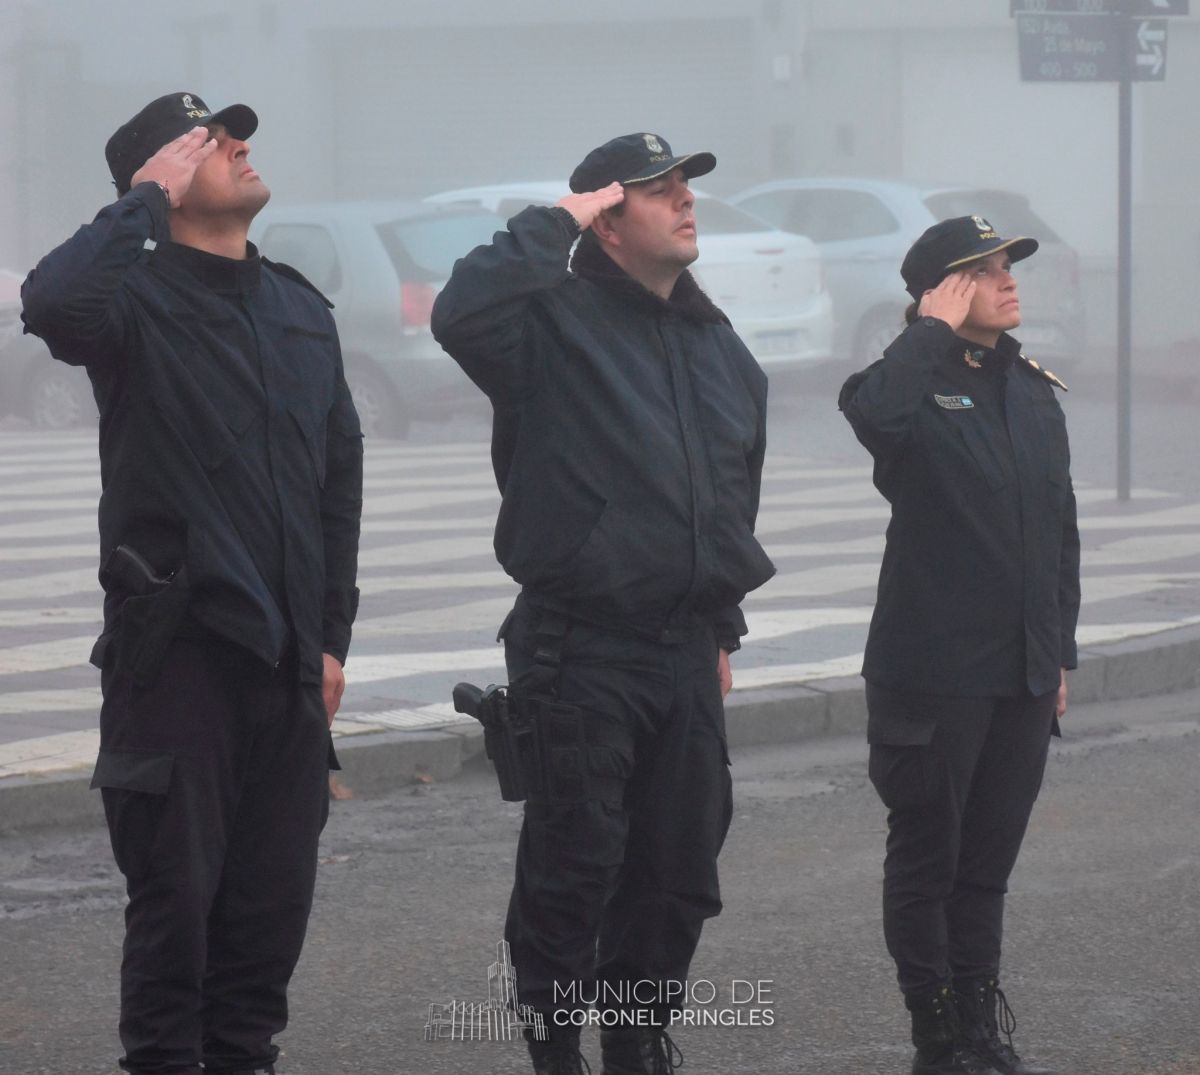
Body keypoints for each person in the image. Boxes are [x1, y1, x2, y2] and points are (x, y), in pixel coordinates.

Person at [21, 92, 363, 1075]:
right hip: (177, 663)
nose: (240, 148)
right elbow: (48, 303)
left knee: (265, 926)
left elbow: (337, 478)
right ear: (160, 177)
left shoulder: (297, 308)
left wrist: (331, 636)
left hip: (288, 666)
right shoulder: (129, 297)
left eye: (239, 134)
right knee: (177, 919)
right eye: (210, 141)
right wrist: (138, 206)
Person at [432, 133, 775, 1075]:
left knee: (677, 872)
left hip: (683, 646)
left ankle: (635, 1046)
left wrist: (722, 625)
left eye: (688, 187)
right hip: (580, 645)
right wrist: (560, 219)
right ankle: (556, 1055)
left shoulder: (716, 344)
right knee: (574, 867)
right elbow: (462, 310)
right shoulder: (550, 322)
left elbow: (729, 489)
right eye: (660, 191)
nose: (687, 202)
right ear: (608, 221)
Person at [838, 215, 1079, 1075]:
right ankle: (935, 1028)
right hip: (933, 673)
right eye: (985, 268)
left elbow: (1058, 531)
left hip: (1017, 672)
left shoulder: (1029, 387)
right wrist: (929, 331)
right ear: (940, 293)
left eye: (1009, 261)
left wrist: (1056, 654)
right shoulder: (903, 383)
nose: (1010, 276)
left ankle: (980, 1021)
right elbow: (873, 417)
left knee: (986, 866)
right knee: (929, 857)